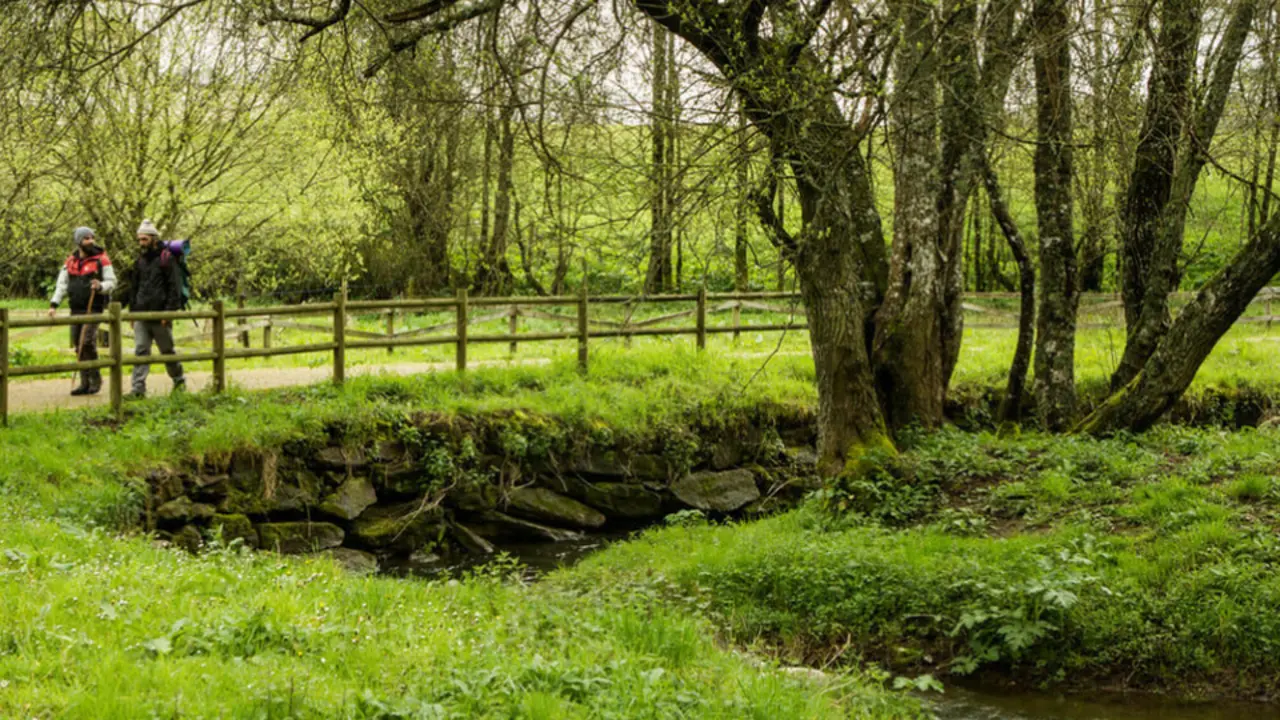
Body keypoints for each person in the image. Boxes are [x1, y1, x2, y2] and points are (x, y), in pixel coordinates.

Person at [49, 227, 115, 396]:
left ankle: (95, 379)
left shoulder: (102, 260)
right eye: (86, 238)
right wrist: (54, 304)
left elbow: (112, 282)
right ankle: (84, 383)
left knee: (87, 342)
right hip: (75, 308)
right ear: (78, 241)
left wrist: (100, 286)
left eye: (92, 237)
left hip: (93, 308)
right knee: (78, 346)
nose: (91, 241)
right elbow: (62, 285)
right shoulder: (70, 262)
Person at [129, 219, 186, 398]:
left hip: (160, 314)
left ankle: (179, 380)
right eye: (139, 239)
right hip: (142, 314)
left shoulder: (166, 259)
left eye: (144, 239)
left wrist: (168, 313)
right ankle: (138, 389)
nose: (141, 243)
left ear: (154, 238)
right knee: (141, 351)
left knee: (167, 350)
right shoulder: (140, 260)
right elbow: (135, 287)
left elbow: (174, 288)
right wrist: (132, 312)